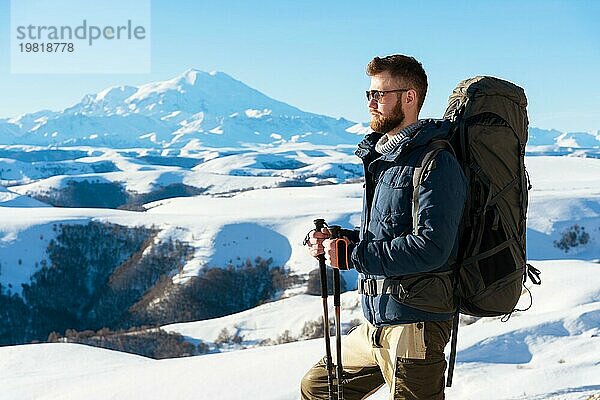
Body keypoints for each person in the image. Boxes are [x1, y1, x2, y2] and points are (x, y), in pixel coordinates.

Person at [302, 54, 468, 400]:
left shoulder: (436, 162)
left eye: (380, 94)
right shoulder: (387, 159)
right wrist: (340, 240)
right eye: (369, 94)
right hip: (377, 319)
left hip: (415, 323)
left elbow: (431, 248)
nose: (372, 102)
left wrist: (354, 255)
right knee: (317, 388)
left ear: (410, 97)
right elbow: (386, 235)